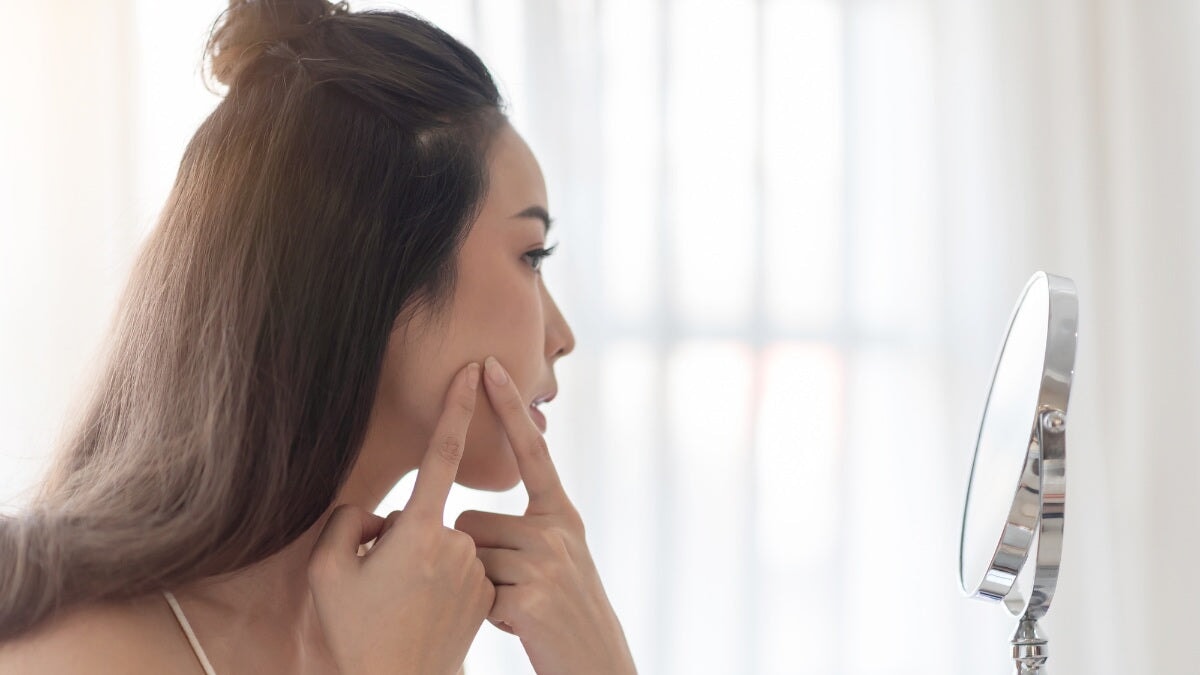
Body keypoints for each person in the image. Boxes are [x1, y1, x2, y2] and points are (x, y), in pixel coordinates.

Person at [0, 1, 636, 673]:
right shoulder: (71, 651)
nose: (561, 335)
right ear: (379, 273)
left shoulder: (406, 619)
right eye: (531, 257)